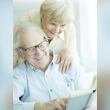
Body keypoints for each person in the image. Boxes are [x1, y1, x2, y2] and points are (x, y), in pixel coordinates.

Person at [13, 22, 96, 110]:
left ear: (46, 40)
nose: (39, 52)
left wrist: (92, 108)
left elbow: (91, 97)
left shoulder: (70, 63)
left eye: (41, 44)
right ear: (21, 52)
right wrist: (42, 106)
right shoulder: (18, 75)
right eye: (31, 49)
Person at [13, 0, 80, 74]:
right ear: (42, 15)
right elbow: (12, 58)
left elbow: (76, 61)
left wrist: (70, 53)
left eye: (62, 25)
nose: (56, 30)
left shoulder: (69, 27)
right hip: (27, 76)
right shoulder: (24, 22)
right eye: (52, 23)